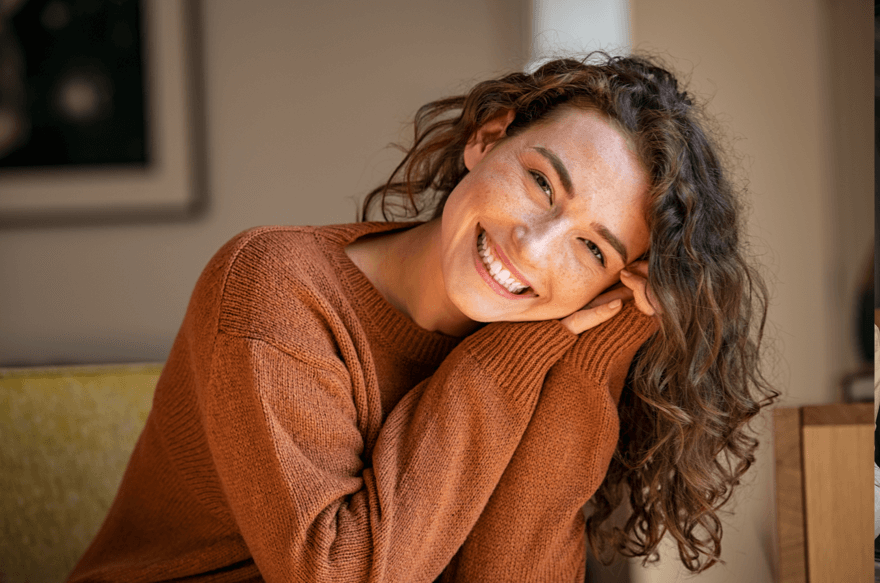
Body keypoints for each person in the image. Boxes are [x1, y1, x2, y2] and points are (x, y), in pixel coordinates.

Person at [67, 53, 775, 582]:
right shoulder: (276, 285)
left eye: (592, 247)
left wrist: (596, 352)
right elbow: (339, 573)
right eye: (539, 182)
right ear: (486, 138)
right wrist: (514, 354)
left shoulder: (546, 345)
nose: (531, 247)